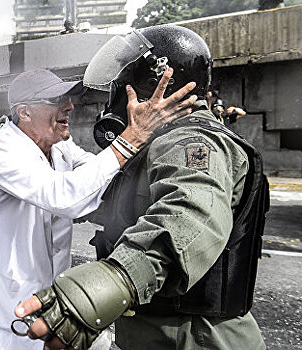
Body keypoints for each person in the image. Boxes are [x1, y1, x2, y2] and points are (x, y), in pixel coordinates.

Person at [15, 25, 269, 350]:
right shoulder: (162, 140)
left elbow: (188, 216)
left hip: (192, 337)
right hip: (163, 332)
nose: (115, 97)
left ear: (155, 85)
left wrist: (109, 284)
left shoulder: (189, 142)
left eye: (122, 86)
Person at [0, 66, 196, 349]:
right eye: (57, 101)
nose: (69, 106)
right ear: (25, 112)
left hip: (42, 296)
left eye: (68, 99)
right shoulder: (0, 149)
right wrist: (134, 136)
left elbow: (96, 173)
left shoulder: (59, 147)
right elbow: (66, 197)